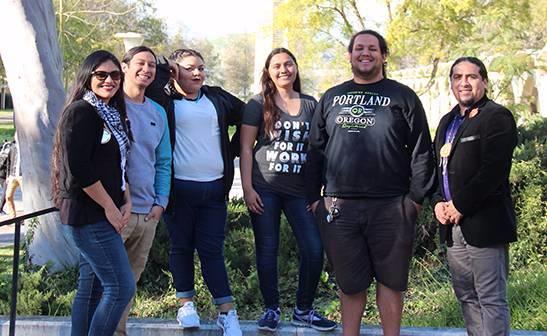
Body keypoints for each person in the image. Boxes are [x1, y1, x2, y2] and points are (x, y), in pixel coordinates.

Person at [305, 30, 435, 336]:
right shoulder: (332, 97)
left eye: (373, 48)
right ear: (349, 56)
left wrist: (415, 200)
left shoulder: (403, 96)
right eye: (359, 48)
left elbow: (421, 150)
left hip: (392, 206)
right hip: (339, 208)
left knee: (391, 281)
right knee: (350, 284)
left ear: (383, 55)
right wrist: (313, 199)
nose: (366, 53)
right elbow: (314, 151)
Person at [146, 48, 245, 336]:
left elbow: (250, 115)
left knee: (212, 251)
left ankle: (227, 313)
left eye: (201, 67)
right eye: (189, 68)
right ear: (175, 71)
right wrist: (169, 71)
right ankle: (186, 304)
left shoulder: (217, 97)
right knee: (181, 248)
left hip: (214, 190)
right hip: (179, 191)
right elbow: (151, 81)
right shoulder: (164, 100)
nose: (198, 72)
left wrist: (233, 148)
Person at [240, 48, 337, 332]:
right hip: (264, 188)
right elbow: (246, 148)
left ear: (296, 68)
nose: (284, 69)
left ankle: (303, 309)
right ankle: (271, 309)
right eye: (277, 65)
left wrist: (317, 192)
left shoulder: (310, 104)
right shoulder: (257, 104)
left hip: (300, 192)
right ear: (268, 72)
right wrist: (247, 188)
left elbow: (319, 150)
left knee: (314, 248)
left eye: (288, 64)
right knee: (267, 251)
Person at [432, 57, 517, 336]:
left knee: (491, 298)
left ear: (484, 81)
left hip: (485, 223)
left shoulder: (498, 117)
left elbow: (493, 171)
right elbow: (438, 169)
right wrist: (437, 203)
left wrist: (460, 204)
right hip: (452, 226)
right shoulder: (447, 121)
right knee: (467, 298)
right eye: (457, 77)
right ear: (451, 83)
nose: (464, 83)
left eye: (471, 76)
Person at [52, 50, 135, 335]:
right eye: (101, 74)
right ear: (88, 77)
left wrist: (127, 198)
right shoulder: (81, 112)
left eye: (115, 75)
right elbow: (79, 170)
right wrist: (111, 209)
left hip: (105, 212)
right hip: (88, 216)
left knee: (92, 288)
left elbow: (118, 164)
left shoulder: (111, 113)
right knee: (121, 287)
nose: (109, 80)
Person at [114, 46, 172, 335]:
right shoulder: (110, 105)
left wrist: (160, 202)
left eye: (151, 65)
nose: (146, 69)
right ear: (124, 66)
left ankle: (119, 331)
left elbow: (163, 161)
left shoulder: (157, 112)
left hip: (147, 215)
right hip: (114, 213)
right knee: (104, 283)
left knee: (129, 284)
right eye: (140, 63)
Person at [5, 132, 22, 218]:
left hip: (22, 176)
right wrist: (8, 175)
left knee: (27, 199)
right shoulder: (12, 147)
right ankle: (13, 216)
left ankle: (27, 218)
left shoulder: (25, 148)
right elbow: (9, 162)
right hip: (13, 175)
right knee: (8, 196)